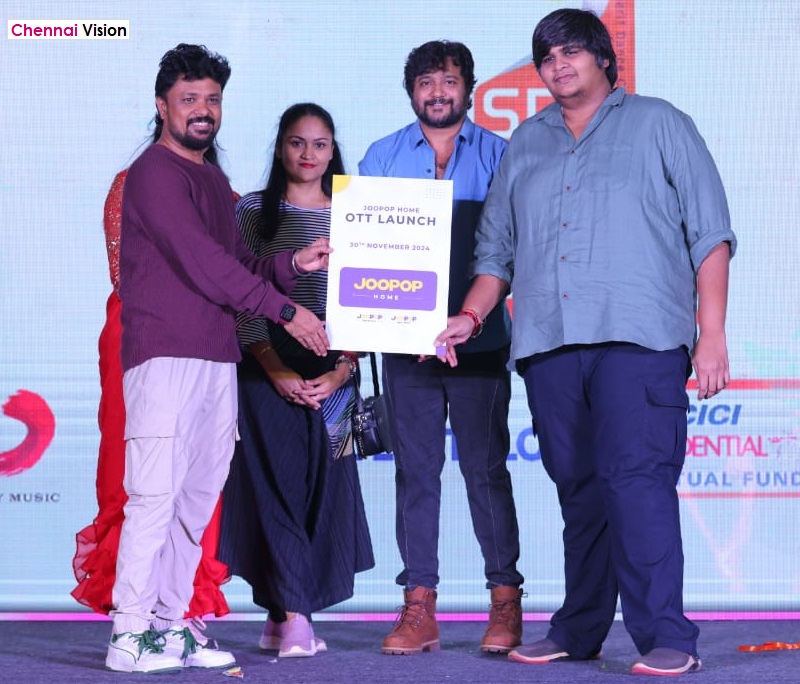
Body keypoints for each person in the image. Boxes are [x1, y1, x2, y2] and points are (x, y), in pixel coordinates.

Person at [435, 8, 735, 677]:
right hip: (550, 343)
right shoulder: (526, 142)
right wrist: (471, 316)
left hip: (639, 339)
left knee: (638, 482)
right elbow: (496, 251)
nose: (558, 65)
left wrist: (711, 334)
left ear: (603, 57)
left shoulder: (660, 123)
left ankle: (667, 635)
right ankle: (580, 627)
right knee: (579, 489)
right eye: (546, 57)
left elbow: (710, 232)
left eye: (571, 51)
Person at [105, 44, 332, 674]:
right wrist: (286, 310)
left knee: (196, 500)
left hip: (216, 358)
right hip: (164, 356)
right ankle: (128, 634)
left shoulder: (210, 177)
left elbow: (237, 263)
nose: (203, 110)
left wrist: (292, 263)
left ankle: (168, 623)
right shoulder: (153, 172)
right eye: (189, 99)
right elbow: (203, 264)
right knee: (153, 495)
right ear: (162, 106)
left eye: (212, 99)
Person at [359, 40, 524, 656]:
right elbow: (367, 255)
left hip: (480, 341)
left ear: (469, 89)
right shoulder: (382, 156)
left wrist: (467, 320)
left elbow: (512, 249)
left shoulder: (502, 154)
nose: (437, 92)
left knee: (486, 472)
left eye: (449, 81)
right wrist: (398, 327)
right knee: (415, 475)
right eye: (426, 82)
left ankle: (505, 601)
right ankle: (418, 607)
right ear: (411, 92)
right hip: (406, 347)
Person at [218, 102, 374, 658]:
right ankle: (296, 619)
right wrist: (275, 368)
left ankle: (281, 615)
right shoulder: (251, 210)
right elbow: (238, 292)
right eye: (297, 142)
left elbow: (376, 298)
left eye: (320, 143)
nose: (308, 154)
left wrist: (342, 367)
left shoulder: (360, 211)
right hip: (265, 364)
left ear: (334, 151)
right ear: (280, 147)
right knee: (275, 488)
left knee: (330, 492)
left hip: (338, 367)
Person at [72, 153, 231, 625]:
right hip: (145, 338)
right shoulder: (132, 184)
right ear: (163, 114)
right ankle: (133, 624)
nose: (202, 117)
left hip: (207, 340)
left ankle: (179, 615)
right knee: (141, 479)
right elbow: (127, 276)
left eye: (211, 110)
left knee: (199, 484)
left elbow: (242, 275)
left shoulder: (224, 193)